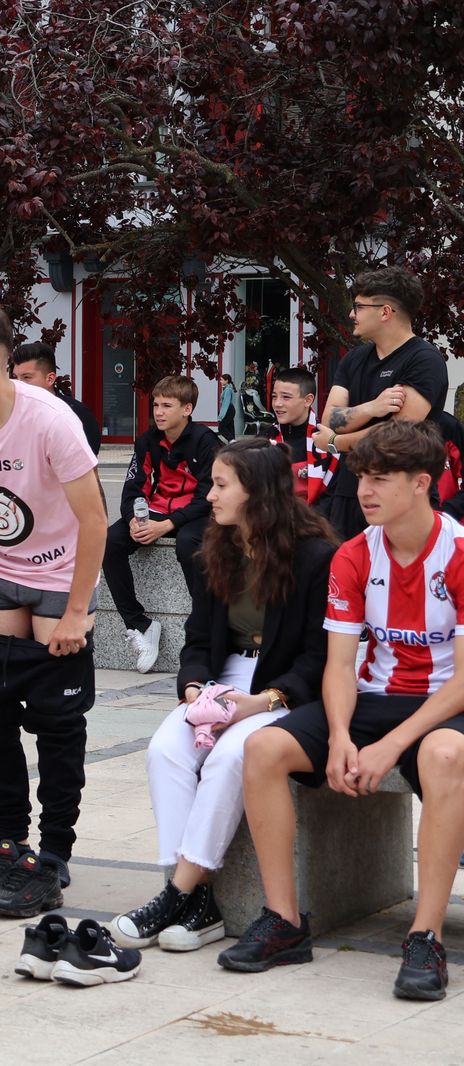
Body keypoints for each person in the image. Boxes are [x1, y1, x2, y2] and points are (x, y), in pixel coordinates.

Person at [223, 421, 464, 1001]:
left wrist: (389, 746)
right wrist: (338, 736)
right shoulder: (354, 554)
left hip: (445, 702)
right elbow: (338, 665)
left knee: (443, 753)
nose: (365, 491)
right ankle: (284, 921)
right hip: (373, 697)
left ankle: (425, 936)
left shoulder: (458, 553)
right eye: (362, 477)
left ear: (422, 483)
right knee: (263, 747)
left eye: (381, 479)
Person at [110, 439, 336, 951]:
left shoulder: (315, 556)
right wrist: (193, 687)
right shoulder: (217, 547)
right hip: (222, 681)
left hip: (281, 688)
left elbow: (318, 657)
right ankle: (201, 904)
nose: (208, 495)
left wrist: (264, 700)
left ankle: (177, 893)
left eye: (219, 485)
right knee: (165, 750)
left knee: (232, 755)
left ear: (257, 491)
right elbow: (197, 639)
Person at [0, 301, 105, 917]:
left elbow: (94, 519)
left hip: (60, 577)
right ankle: (9, 839)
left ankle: (53, 853)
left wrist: (78, 610)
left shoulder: (50, 420)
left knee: (58, 723)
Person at [313, 266, 447, 539]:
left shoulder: (424, 360)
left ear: (385, 312)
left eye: (359, 307)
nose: (352, 314)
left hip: (401, 494)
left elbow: (394, 436)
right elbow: (329, 420)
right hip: (349, 491)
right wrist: (371, 407)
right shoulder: (354, 359)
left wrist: (334, 443)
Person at [104, 375, 219, 673]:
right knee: (109, 542)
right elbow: (133, 489)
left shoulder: (206, 442)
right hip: (156, 509)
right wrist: (133, 519)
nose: (159, 412)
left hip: (197, 514)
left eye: (167, 406)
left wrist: (167, 524)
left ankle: (206, 627)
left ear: (187, 409)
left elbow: (208, 496)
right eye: (156, 405)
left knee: (188, 543)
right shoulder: (147, 441)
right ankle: (140, 625)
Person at [12, 341, 100, 454]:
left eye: (26, 377)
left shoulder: (77, 414)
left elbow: (86, 462)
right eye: (15, 377)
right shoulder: (8, 414)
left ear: (50, 379)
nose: (18, 384)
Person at [267, 366, 334, 503]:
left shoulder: (327, 440)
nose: (277, 404)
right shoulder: (265, 438)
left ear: (308, 400)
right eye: (274, 397)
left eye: (286, 397)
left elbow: (333, 498)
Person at [218, 373, 238, 441]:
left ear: (226, 381)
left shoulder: (227, 390)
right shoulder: (228, 389)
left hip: (228, 410)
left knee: (221, 428)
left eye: (221, 380)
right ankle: (233, 442)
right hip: (230, 409)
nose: (220, 381)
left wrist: (221, 416)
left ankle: (231, 440)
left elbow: (225, 404)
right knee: (230, 427)